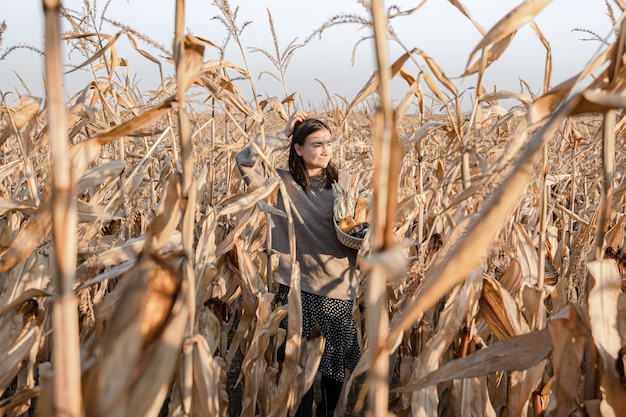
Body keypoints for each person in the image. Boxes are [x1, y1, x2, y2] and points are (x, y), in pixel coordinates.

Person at [235, 111, 361, 417]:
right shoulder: (281, 183)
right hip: (295, 289)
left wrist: (363, 231)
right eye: (316, 144)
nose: (325, 150)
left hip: (338, 287)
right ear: (298, 148)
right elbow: (244, 160)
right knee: (295, 369)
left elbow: (352, 224)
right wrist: (284, 131)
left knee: (333, 372)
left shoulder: (344, 182)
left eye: (328, 143)